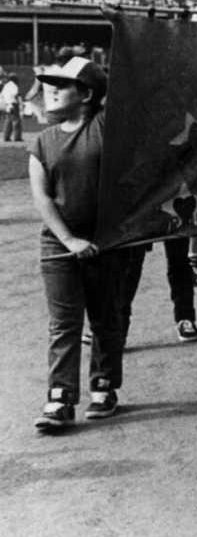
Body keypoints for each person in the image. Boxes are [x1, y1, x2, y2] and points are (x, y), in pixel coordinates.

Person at [29, 57, 146, 430]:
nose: (52, 89)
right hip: (59, 246)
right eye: (50, 84)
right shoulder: (44, 141)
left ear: (88, 94)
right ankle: (60, 397)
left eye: (62, 85)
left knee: (106, 319)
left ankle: (104, 387)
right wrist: (70, 240)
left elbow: (132, 96)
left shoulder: (105, 128)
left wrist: (122, 30)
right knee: (64, 324)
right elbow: (43, 198)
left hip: (106, 243)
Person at [2, 68, 22, 142]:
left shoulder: (6, 86)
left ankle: (6, 137)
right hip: (13, 104)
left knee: (8, 121)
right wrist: (19, 104)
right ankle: (17, 137)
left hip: (7, 105)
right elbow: (15, 95)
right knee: (16, 121)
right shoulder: (14, 86)